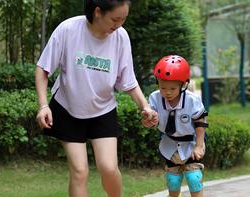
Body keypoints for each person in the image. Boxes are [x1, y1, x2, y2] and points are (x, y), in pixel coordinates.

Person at [35, 1, 158, 196]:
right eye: (115, 19)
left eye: (123, 19)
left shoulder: (120, 37)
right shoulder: (68, 30)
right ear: (98, 12)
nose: (119, 25)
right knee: (79, 171)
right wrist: (43, 106)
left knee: (109, 168)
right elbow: (43, 68)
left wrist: (145, 106)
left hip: (103, 109)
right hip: (68, 109)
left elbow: (128, 80)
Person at [149, 55, 208, 197]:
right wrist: (148, 120)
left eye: (172, 88)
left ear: (183, 85)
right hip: (169, 144)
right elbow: (151, 120)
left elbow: (200, 123)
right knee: (173, 181)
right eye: (163, 87)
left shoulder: (192, 100)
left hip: (191, 143)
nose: (167, 92)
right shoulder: (154, 98)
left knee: (194, 179)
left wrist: (199, 146)